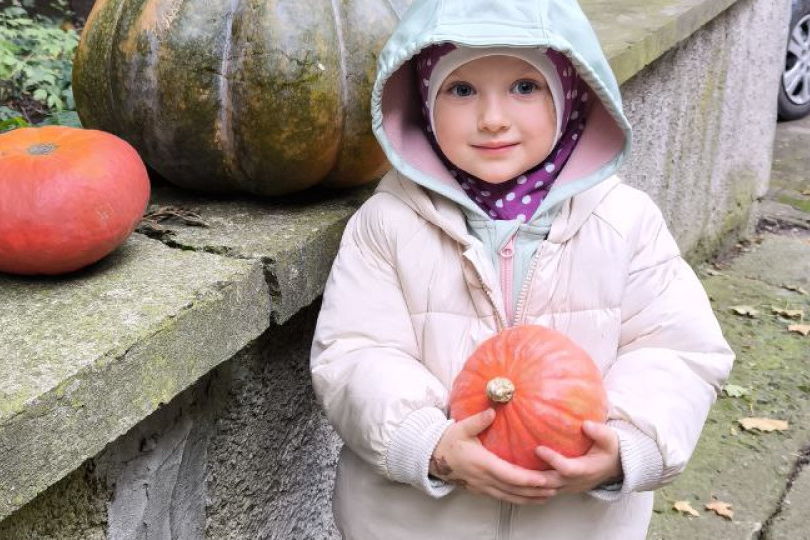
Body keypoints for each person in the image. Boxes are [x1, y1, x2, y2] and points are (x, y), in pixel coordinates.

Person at [310, 0, 735, 538]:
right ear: (421, 99)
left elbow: (678, 350)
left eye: (524, 87)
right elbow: (355, 353)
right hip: (413, 523)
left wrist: (626, 446)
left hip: (574, 521)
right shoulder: (387, 224)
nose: (493, 118)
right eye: (461, 90)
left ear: (571, 93)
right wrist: (431, 445)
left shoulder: (625, 222)